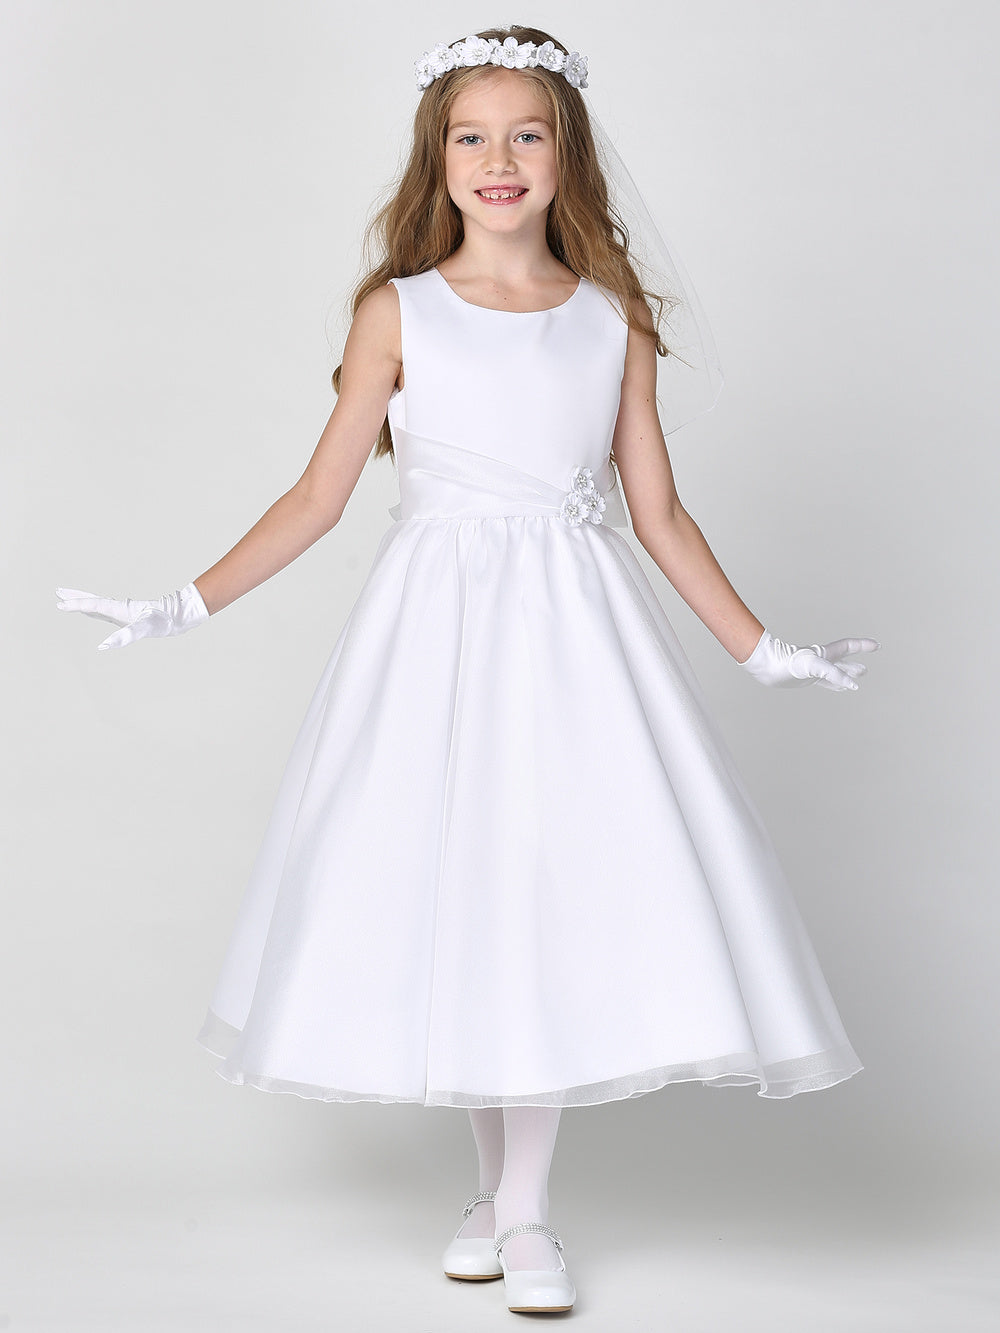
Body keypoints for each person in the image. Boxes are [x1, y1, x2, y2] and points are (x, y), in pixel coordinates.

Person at [55, 24, 879, 1317]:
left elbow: (659, 513)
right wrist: (185, 602)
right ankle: (500, 1201)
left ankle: (528, 1213)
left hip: (571, 637)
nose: (499, 160)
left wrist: (762, 647)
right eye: (471, 136)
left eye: (527, 134)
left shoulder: (611, 322)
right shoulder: (399, 311)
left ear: (567, 154)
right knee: (469, 893)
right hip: (433, 637)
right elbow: (321, 494)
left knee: (545, 894)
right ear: (438, 160)